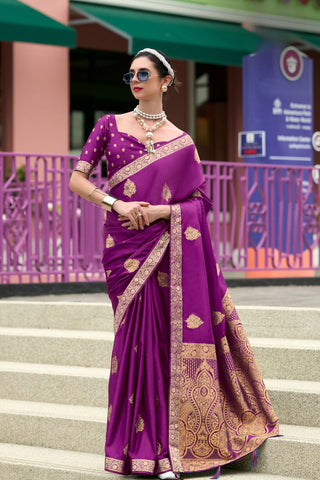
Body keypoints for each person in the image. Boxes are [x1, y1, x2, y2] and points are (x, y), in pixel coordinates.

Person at [69, 48, 279, 480]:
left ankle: (167, 452)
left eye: (143, 74)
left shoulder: (182, 141)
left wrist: (165, 213)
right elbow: (77, 178)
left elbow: (199, 202)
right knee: (134, 342)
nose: (134, 80)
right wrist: (117, 203)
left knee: (164, 343)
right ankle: (135, 450)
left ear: (166, 81)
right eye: (130, 74)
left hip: (166, 247)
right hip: (124, 246)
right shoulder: (110, 125)